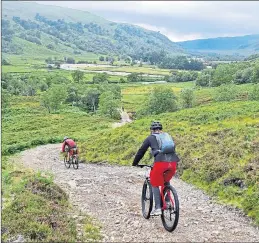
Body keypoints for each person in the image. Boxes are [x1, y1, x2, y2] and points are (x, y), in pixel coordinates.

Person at [132, 121, 180, 216]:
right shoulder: (167, 136)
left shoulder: (150, 138)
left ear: (151, 130)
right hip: (173, 163)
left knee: (154, 182)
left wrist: (135, 163)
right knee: (165, 180)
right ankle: (167, 202)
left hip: (160, 163)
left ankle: (158, 207)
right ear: (161, 129)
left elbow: (141, 151)